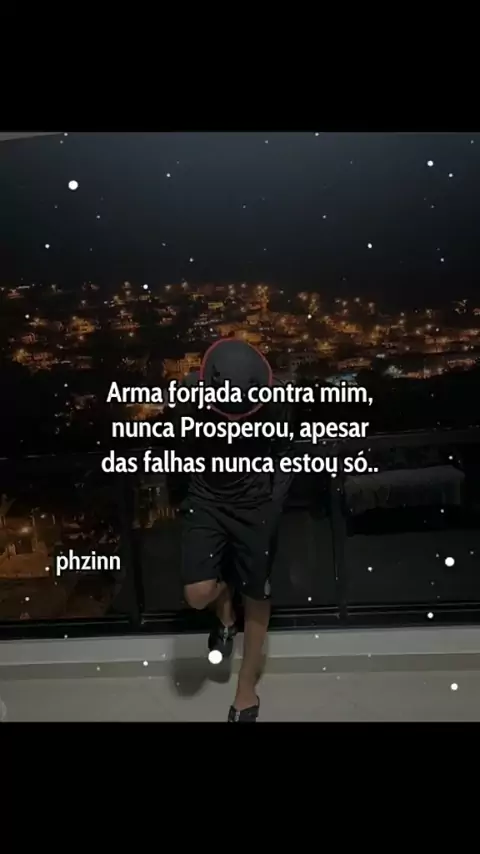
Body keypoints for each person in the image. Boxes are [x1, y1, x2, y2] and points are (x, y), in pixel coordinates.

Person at [167, 338, 293, 722]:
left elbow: (286, 454)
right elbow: (176, 447)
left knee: (256, 593)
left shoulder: (278, 399)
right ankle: (224, 610)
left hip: (255, 503)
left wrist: (271, 505)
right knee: (196, 593)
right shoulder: (188, 397)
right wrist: (185, 497)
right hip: (207, 498)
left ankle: (246, 689)